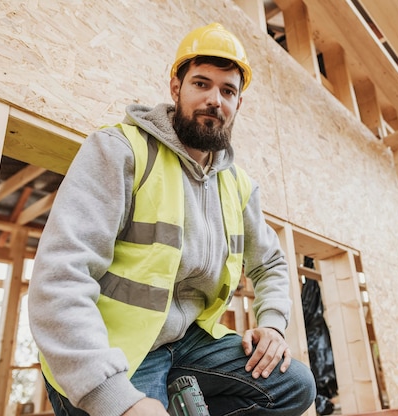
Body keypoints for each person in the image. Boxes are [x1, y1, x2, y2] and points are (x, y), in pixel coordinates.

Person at [28, 22, 316, 416]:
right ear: (175, 87)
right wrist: (112, 398)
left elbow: (271, 263)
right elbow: (59, 277)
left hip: (185, 344)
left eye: (228, 90)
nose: (215, 99)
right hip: (114, 347)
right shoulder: (121, 152)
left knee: (293, 385)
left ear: (237, 104)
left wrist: (272, 325)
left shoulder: (238, 186)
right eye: (201, 84)